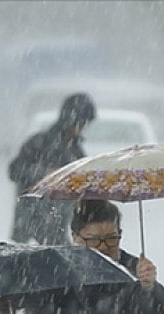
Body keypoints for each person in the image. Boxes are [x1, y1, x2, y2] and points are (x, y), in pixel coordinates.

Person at [7, 92, 96, 245]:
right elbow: (14, 170)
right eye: (81, 123)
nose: (83, 128)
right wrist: (44, 173)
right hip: (28, 225)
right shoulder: (39, 143)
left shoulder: (77, 153)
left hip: (58, 227)